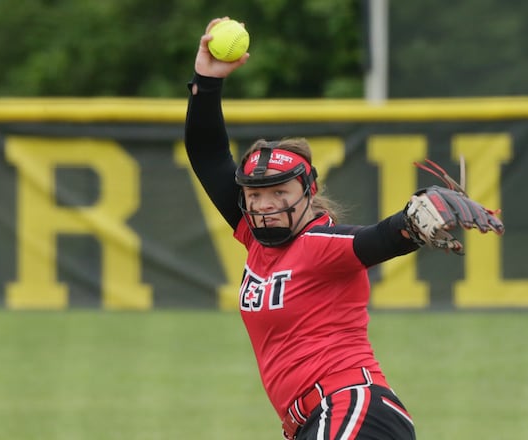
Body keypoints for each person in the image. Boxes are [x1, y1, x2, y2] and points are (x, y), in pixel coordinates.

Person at [184, 17, 504, 440]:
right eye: (256, 195)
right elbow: (207, 154)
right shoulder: (256, 239)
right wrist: (206, 82)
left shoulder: (318, 242)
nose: (265, 205)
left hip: (349, 406)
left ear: (307, 191)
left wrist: (411, 223)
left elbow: (377, 239)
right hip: (321, 419)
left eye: (279, 192)